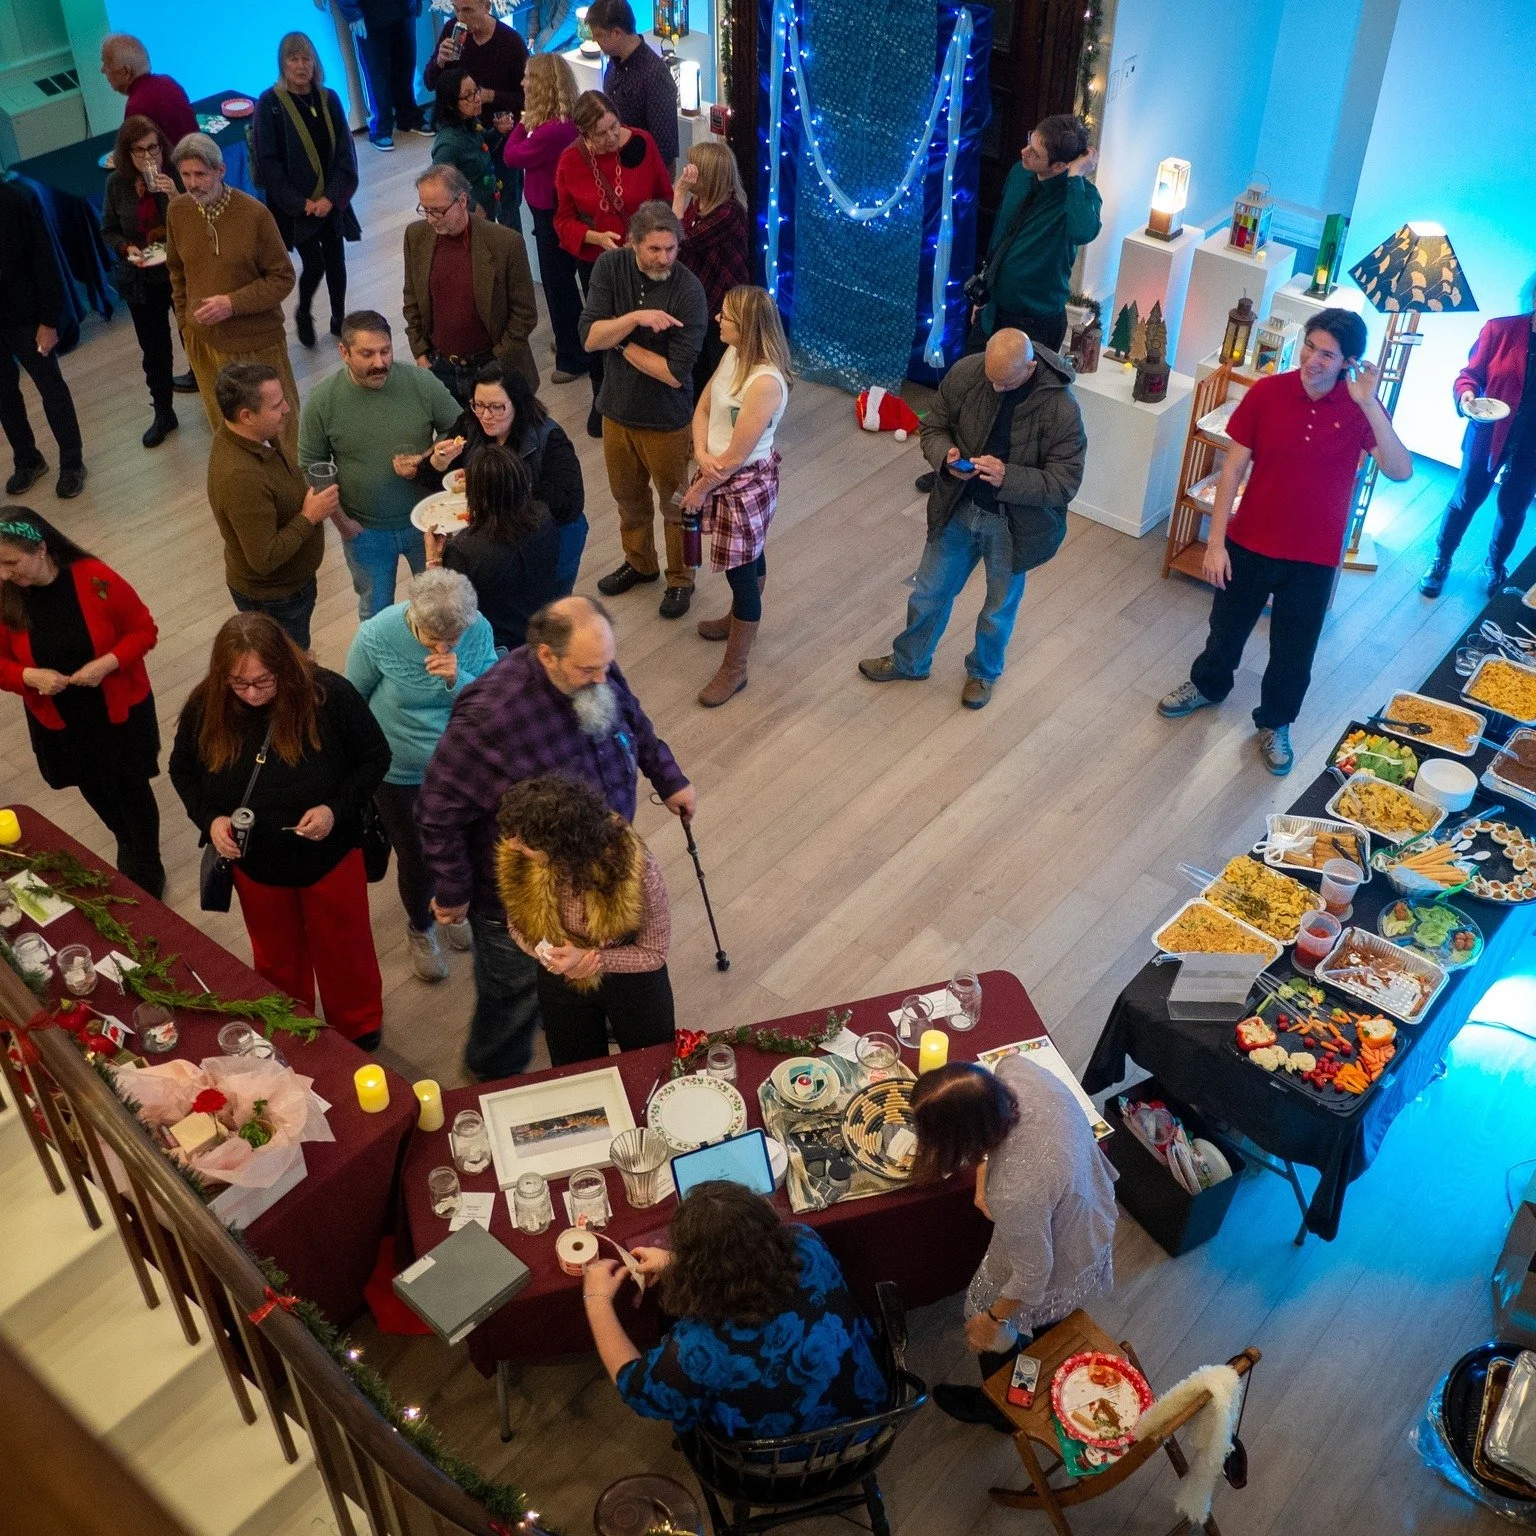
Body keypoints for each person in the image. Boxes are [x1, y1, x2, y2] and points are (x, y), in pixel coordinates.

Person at [418, 595, 694, 1079]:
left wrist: (667, 776)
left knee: (589, 975)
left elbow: (631, 718)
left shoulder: (594, 667)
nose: (603, 679)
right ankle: (495, 1077)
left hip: (602, 866)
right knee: (514, 995)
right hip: (522, 896)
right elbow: (437, 813)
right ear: (548, 655)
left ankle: (574, 1014)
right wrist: (454, 889)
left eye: (607, 665)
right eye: (590, 669)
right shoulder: (489, 720)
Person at [1157, 309, 1413, 774]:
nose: (1313, 360)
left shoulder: (1360, 410)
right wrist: (1215, 544)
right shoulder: (1268, 393)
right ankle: (1208, 687)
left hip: (1313, 560)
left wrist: (1370, 403)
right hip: (1249, 543)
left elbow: (1401, 470)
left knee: (1294, 651)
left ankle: (1276, 723)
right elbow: (1233, 469)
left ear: (1349, 362)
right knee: (1225, 630)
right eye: (1310, 346)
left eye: (1327, 354)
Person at [169, 613, 391, 1047]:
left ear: (284, 667)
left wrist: (333, 809)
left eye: (263, 681)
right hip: (257, 863)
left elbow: (374, 758)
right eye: (239, 683)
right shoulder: (206, 704)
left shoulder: (329, 695)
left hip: (330, 856)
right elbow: (183, 771)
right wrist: (210, 818)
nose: (252, 693)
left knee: (345, 949)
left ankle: (359, 1028)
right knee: (275, 957)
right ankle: (290, 1025)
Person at [860, 329, 1085, 710]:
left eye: (1006, 382)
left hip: (1013, 524)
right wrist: (945, 456)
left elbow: (1065, 481)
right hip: (959, 505)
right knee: (929, 590)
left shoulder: (1061, 408)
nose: (996, 388)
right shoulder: (968, 372)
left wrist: (1006, 476)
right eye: (991, 378)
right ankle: (910, 661)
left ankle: (983, 673)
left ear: (1030, 367)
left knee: (998, 607)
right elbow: (933, 426)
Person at [583, 1180, 889, 1438]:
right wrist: (675, 1262)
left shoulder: (696, 1349)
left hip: (772, 1464)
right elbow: (747, 1258)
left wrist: (596, 1300)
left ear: (696, 1268)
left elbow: (636, 1389)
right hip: (866, 1420)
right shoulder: (805, 1242)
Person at [909, 1059, 1117, 1433]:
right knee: (1043, 1328)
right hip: (1085, 1203)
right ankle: (1029, 1377)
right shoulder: (1015, 1069)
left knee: (999, 1324)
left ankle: (1005, 1406)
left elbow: (1035, 1273)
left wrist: (991, 1321)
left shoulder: (1015, 1193)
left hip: (1059, 1250)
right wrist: (987, 1168)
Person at [915, 116, 1098, 494]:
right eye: (1030, 139)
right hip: (996, 306)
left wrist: (1079, 175)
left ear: (1062, 165)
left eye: (1036, 151)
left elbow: (1083, 231)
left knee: (1012, 405)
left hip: (1035, 320)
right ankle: (952, 466)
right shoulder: (1019, 173)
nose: (1023, 151)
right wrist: (987, 293)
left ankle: (994, 478)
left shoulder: (1078, 197)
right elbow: (1002, 233)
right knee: (968, 387)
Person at [0, 513, 164, 898]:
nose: (5, 575)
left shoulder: (94, 578)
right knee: (92, 783)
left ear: (41, 549)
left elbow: (143, 630)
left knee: (130, 787)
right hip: (60, 720)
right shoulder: (5, 597)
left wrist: (107, 663)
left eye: (11, 563)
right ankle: (125, 841)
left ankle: (146, 863)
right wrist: (28, 677)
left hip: (117, 711)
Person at [345, 568, 496, 981]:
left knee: (465, 840)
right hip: (398, 768)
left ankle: (455, 903)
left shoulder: (477, 627)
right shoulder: (378, 634)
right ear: (413, 615)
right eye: (434, 639)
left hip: (459, 761)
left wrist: (457, 677)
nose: (445, 646)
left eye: (454, 639)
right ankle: (422, 927)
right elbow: (352, 698)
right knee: (418, 854)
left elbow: (491, 696)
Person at [495, 775, 674, 1064]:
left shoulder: (636, 869)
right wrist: (550, 956)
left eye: (525, 843)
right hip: (560, 977)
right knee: (575, 1068)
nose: (512, 844)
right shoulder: (519, 858)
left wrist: (593, 960)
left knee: (651, 1062)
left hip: (631, 978)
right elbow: (517, 924)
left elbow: (654, 952)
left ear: (559, 846)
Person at [582, 202, 706, 617]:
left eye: (671, 249)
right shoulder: (610, 268)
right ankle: (640, 563)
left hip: (666, 421)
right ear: (633, 242)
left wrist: (620, 340)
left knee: (674, 504)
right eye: (654, 249)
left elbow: (673, 373)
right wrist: (636, 317)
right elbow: (588, 337)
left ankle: (681, 579)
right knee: (628, 499)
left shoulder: (688, 292)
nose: (664, 258)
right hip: (616, 412)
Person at [298, 310, 462, 620]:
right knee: (375, 615)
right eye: (367, 354)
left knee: (440, 607)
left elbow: (458, 429)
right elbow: (312, 466)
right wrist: (342, 523)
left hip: (428, 521)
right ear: (343, 352)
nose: (380, 363)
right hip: (364, 530)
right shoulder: (323, 400)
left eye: (385, 351)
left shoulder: (420, 382)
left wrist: (427, 457)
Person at [683, 286, 790, 706]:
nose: (717, 320)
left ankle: (735, 669)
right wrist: (700, 454)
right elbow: (703, 408)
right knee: (751, 554)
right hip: (719, 472)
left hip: (743, 482)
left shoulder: (765, 382)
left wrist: (698, 487)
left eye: (725, 316)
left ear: (746, 326)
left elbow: (737, 456)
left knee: (741, 574)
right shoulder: (732, 355)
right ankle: (734, 621)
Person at [166, 133, 298, 452]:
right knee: (227, 430)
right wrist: (186, 323)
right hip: (204, 344)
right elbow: (176, 272)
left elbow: (283, 277)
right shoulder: (178, 211)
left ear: (221, 171)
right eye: (185, 175)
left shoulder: (254, 215)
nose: (193, 183)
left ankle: (296, 488)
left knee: (282, 426)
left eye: (201, 174)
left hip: (256, 344)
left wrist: (232, 303)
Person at [554, 91, 674, 435]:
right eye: (600, 134)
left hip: (646, 259)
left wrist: (651, 236)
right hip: (599, 262)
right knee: (601, 331)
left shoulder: (642, 143)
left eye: (614, 127)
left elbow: (664, 196)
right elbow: (562, 221)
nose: (611, 139)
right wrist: (597, 237)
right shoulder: (570, 161)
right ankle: (602, 400)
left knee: (645, 331)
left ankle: (645, 402)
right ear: (583, 135)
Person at [416, 359, 588, 598]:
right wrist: (438, 462)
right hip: (496, 545)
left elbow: (570, 505)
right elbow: (432, 481)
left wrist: (509, 484)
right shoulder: (470, 424)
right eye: (479, 405)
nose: (486, 416)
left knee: (549, 609)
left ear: (518, 404)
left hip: (548, 542)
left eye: (497, 407)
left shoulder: (549, 437)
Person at [208, 362, 340, 650]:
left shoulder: (255, 436)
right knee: (287, 666)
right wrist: (309, 516)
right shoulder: (241, 476)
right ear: (246, 416)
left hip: (288, 589)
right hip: (275, 599)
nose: (287, 409)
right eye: (277, 405)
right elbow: (263, 557)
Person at [1420, 304, 1536, 597]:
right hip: (1489, 434)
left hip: (1532, 446)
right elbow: (1468, 376)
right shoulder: (1500, 329)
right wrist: (1466, 397)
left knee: (1514, 509)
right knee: (1465, 500)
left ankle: (1495, 565)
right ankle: (1441, 561)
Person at [255, 34, 362, 351]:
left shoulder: (328, 99)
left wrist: (331, 198)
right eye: (293, 59)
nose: (301, 66)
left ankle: (339, 321)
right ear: (282, 64)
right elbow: (268, 164)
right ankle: (303, 312)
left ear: (314, 62)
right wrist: (302, 203)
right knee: (314, 264)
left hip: (330, 202)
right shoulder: (270, 105)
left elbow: (346, 153)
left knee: (337, 262)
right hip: (296, 208)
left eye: (306, 58)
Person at [403, 164, 540, 405]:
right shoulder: (416, 236)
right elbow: (412, 297)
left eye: (438, 211)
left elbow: (525, 314)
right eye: (425, 210)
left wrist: (497, 360)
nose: (431, 219)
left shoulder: (505, 243)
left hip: (492, 367)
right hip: (440, 367)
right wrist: (419, 349)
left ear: (462, 201)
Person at [426, 445, 564, 650]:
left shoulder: (465, 551)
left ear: (475, 494)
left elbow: (443, 612)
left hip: (497, 644)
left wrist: (433, 559)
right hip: (543, 628)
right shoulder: (543, 516)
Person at [0, 179, 85, 500]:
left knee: (51, 388)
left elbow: (44, 260)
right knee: (3, 395)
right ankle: (28, 460)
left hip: (27, 318)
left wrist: (49, 321)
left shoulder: (14, 199)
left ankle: (72, 463)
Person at [100, 116, 181, 450]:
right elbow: (109, 229)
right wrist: (125, 247)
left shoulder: (174, 173)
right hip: (142, 277)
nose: (149, 156)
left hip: (178, 270)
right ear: (126, 152)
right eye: (140, 150)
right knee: (155, 348)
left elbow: (195, 217)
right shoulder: (117, 184)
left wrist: (174, 193)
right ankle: (163, 412)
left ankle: (215, 400)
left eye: (154, 147)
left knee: (195, 337)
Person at [503, 52, 584, 384]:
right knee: (559, 281)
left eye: (528, 78)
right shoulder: (563, 122)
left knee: (558, 284)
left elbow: (511, 155)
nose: (523, 83)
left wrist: (522, 122)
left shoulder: (552, 130)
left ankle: (572, 356)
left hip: (551, 212)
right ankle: (572, 341)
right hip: (550, 209)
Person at [673, 142, 751, 404]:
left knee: (717, 366)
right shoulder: (700, 202)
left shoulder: (728, 212)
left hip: (721, 303)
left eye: (694, 167)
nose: (687, 171)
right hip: (702, 297)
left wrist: (678, 192)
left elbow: (679, 239)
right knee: (699, 365)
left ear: (709, 176)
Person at [583, 0, 679, 172]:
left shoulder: (655, 75)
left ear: (617, 33)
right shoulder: (614, 62)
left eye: (598, 35)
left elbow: (664, 149)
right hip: (616, 168)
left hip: (642, 175)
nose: (595, 41)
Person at [334, 0, 428, 153]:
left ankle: (408, 116)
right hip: (370, 13)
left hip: (404, 9)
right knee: (377, 74)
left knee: (406, 64)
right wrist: (352, 13)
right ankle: (381, 127)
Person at [430, 67, 504, 221]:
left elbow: (482, 147)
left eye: (476, 91)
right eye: (468, 96)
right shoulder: (448, 144)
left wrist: (498, 131)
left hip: (487, 211)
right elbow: (440, 182)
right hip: (470, 218)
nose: (477, 98)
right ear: (451, 105)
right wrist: (471, 206)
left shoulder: (469, 120)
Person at [99, 35, 197, 148]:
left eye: (106, 64)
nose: (102, 70)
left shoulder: (136, 107)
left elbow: (142, 159)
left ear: (126, 71)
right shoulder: (168, 82)